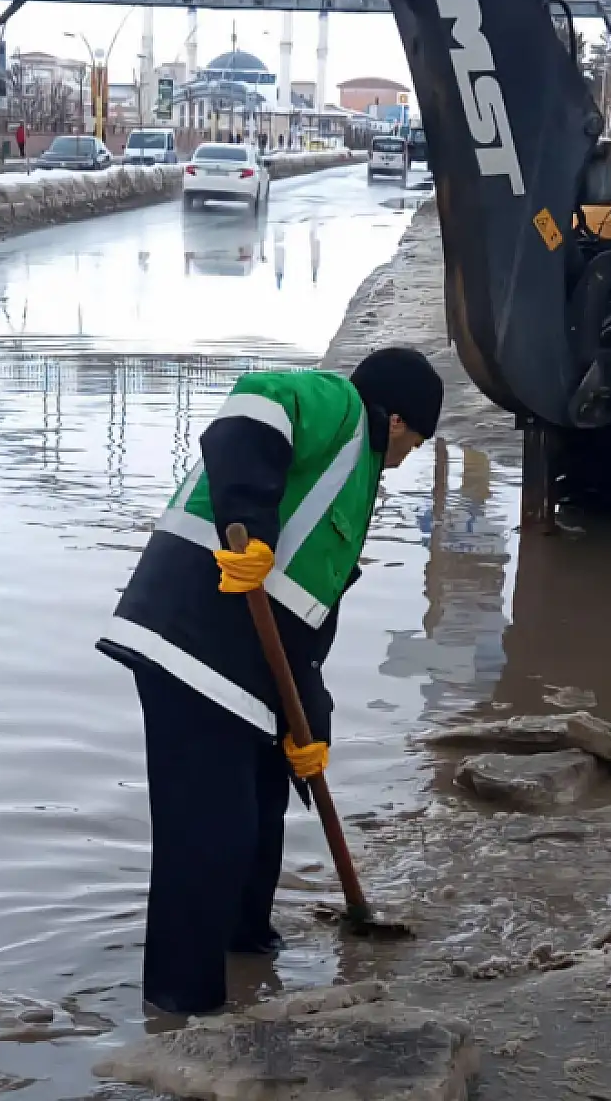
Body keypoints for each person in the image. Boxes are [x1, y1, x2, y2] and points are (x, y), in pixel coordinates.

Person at [97, 349, 444, 1015]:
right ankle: (181, 1007)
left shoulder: (355, 477)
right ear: (398, 420)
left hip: (245, 669)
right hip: (190, 639)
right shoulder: (340, 410)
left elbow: (305, 621)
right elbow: (256, 403)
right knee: (210, 834)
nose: (409, 456)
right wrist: (251, 524)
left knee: (259, 813)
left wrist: (307, 725)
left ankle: (247, 949)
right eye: (417, 441)